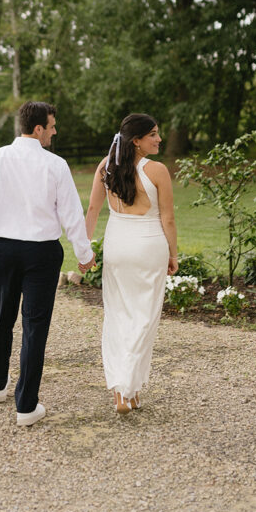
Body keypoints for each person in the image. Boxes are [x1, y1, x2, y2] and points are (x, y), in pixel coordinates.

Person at [0, 101, 95, 427]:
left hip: (3, 251)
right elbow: (71, 215)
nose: (55, 131)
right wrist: (84, 255)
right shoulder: (56, 165)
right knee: (34, 328)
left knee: (2, 317)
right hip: (42, 255)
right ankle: (26, 408)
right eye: (53, 126)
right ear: (39, 128)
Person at [85, 113, 178, 414]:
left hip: (117, 244)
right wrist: (174, 254)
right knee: (144, 318)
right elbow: (168, 218)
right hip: (149, 246)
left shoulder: (105, 166)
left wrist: (85, 248)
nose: (159, 139)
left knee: (117, 315)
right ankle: (126, 385)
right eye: (153, 134)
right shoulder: (158, 171)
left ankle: (127, 390)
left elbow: (93, 210)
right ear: (136, 140)